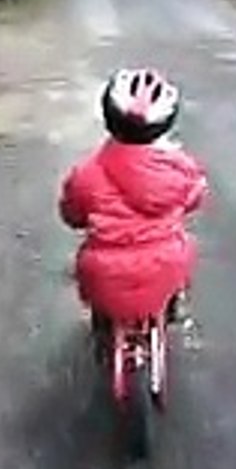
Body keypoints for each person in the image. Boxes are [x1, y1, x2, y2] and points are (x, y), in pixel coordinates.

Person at [58, 68, 207, 352]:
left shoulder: (86, 174)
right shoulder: (182, 169)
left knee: (93, 285)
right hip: (167, 265)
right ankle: (173, 307)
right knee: (183, 255)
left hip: (103, 272)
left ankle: (103, 330)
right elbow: (195, 199)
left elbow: (72, 215)